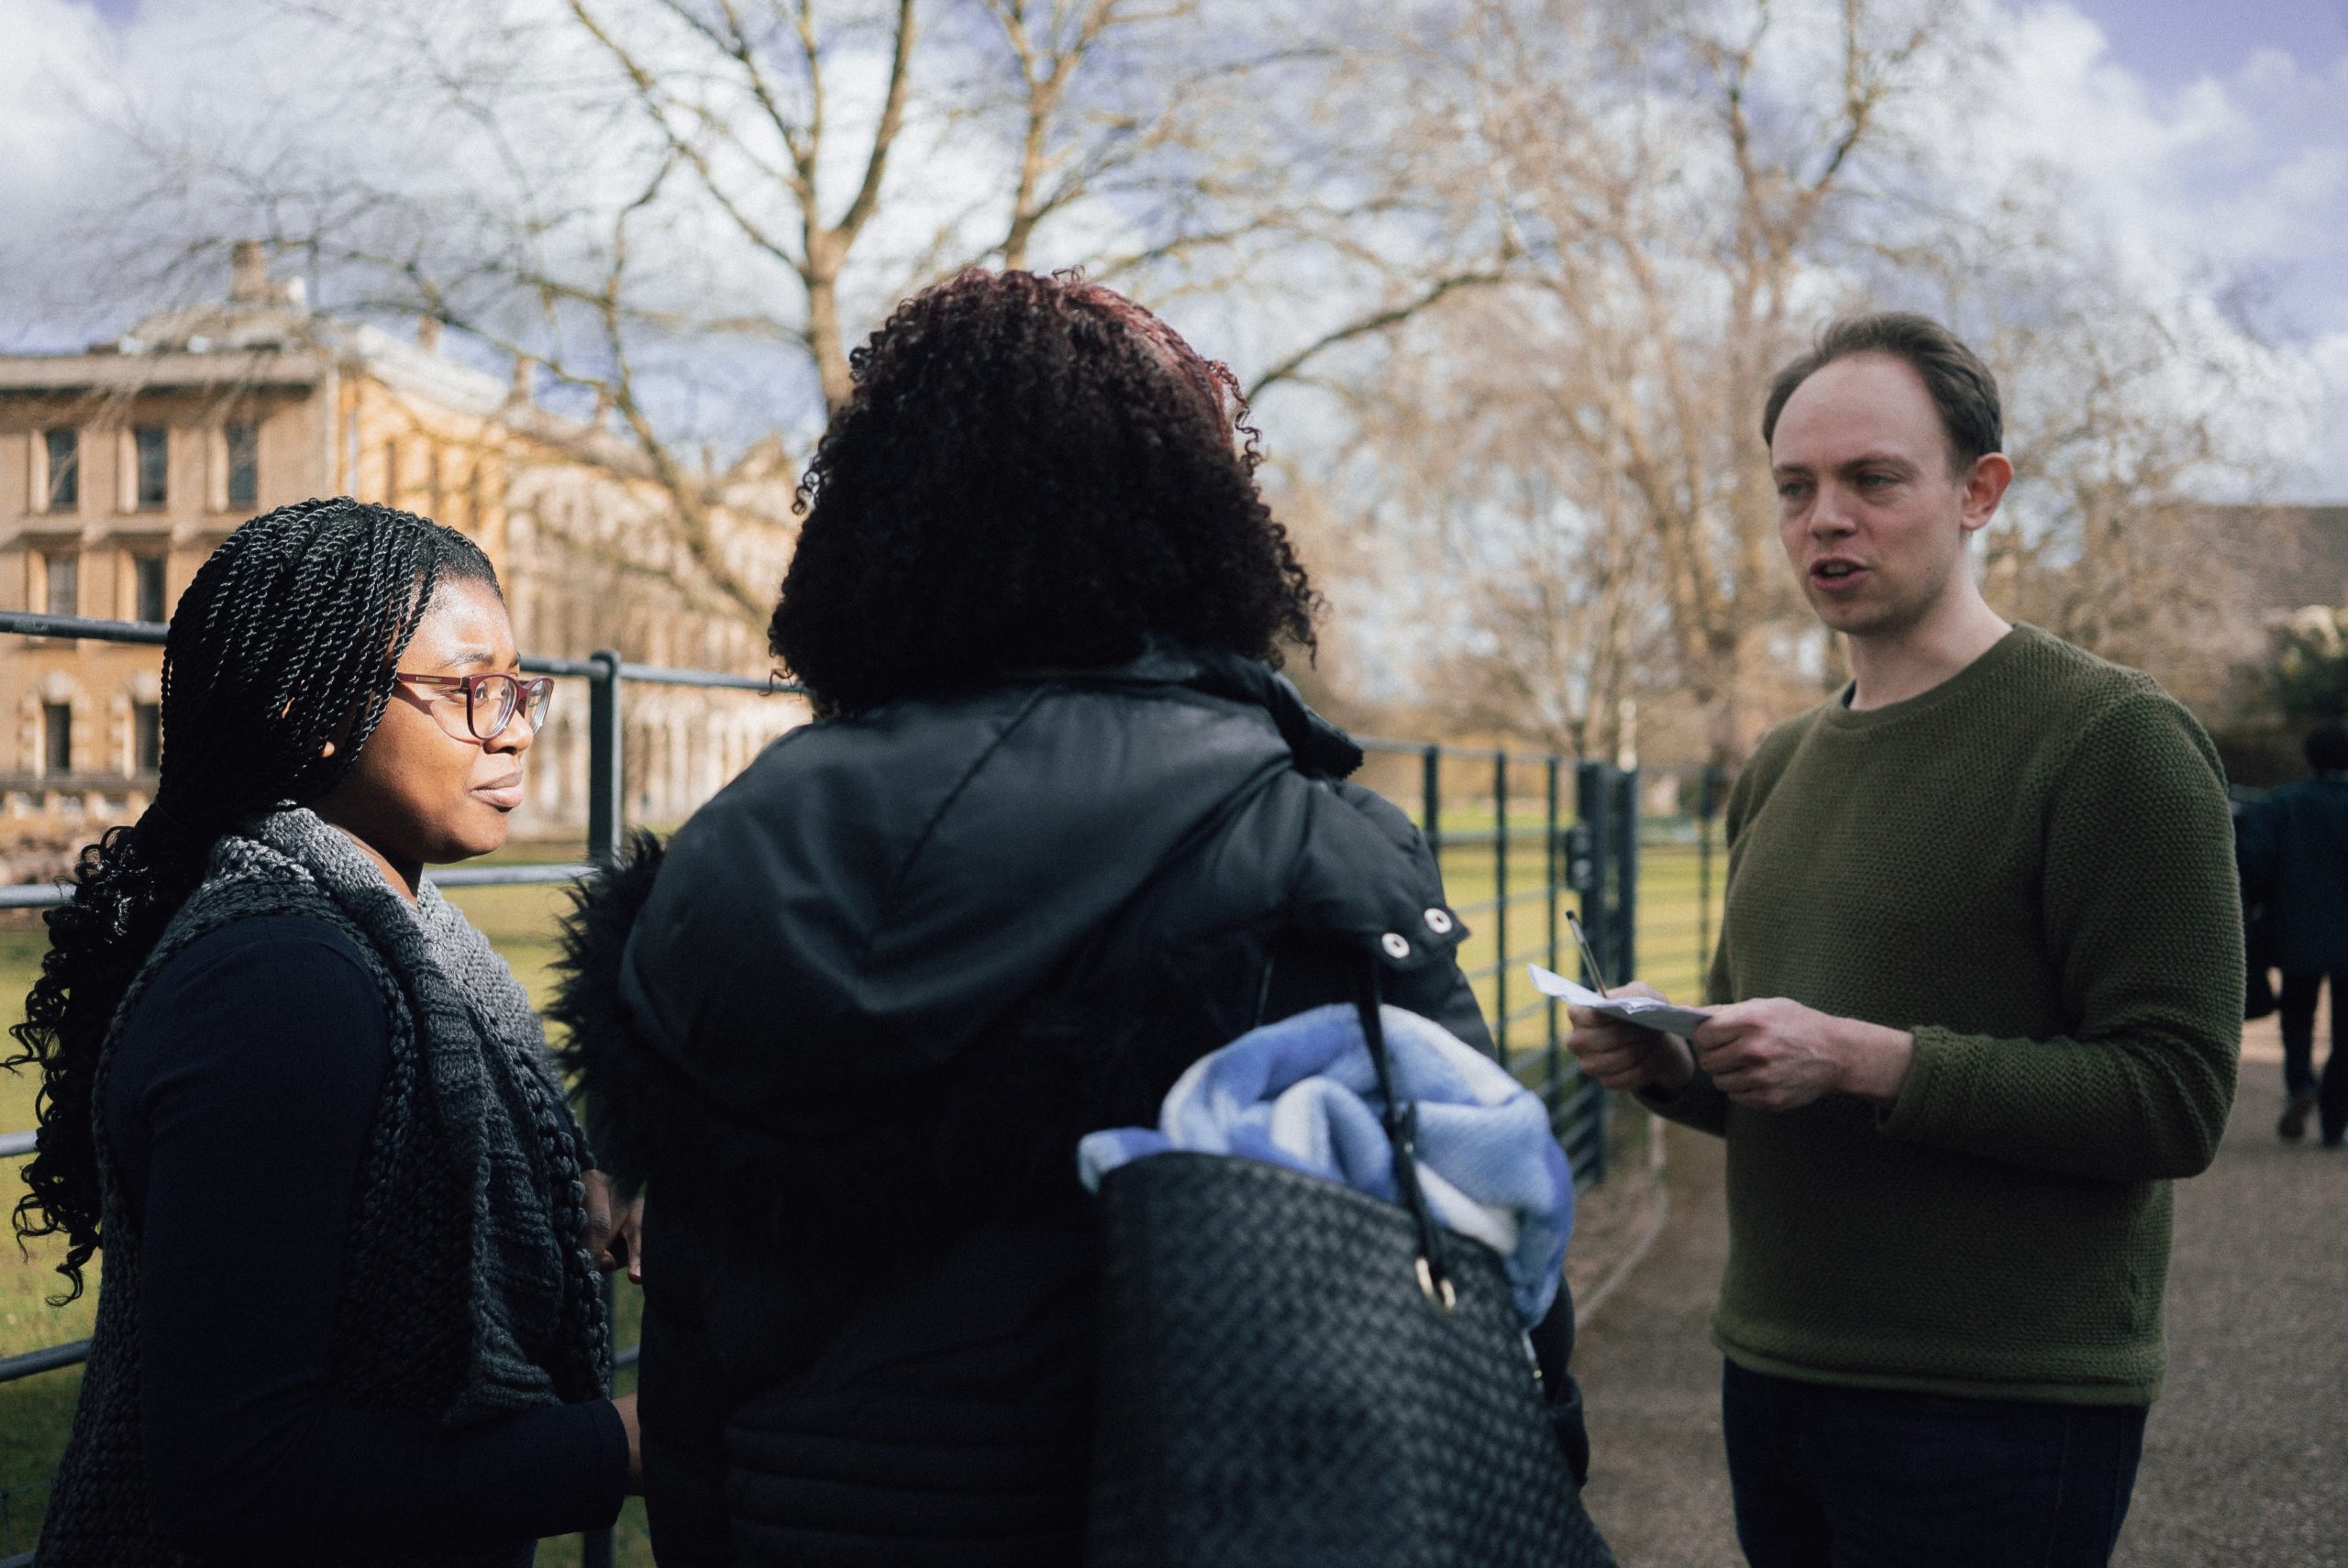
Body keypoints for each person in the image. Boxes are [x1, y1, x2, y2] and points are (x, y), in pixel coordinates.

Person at [552, 268, 1600, 1566]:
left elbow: (697, 1342)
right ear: (1193, 515)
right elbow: (1488, 1288)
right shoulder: (1305, 844)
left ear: (876, 525)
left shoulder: (724, 855)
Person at [1568, 313, 2241, 1568]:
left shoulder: (2113, 742)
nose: (1827, 517)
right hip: (1769, 1366)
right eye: (1796, 487)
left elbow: (2178, 1097)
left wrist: (1870, 1056)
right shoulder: (1777, 764)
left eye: (1872, 479)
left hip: (1999, 1408)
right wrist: (1672, 1062)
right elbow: (1772, 1076)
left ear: (1979, 490)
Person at [9, 500, 638, 1566]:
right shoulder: (278, 982)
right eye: (470, 690)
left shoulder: (401, 946)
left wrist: (572, 1195)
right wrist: (627, 1443)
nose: (517, 724)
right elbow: (237, 1474)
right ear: (318, 711)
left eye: (519, 688)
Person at [2236, 722, 2348, 1144]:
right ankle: (2336, 1119)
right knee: (2345, 1030)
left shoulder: (2284, 804)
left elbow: (2253, 860)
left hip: (2296, 930)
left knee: (2297, 1015)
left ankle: (2300, 1085)